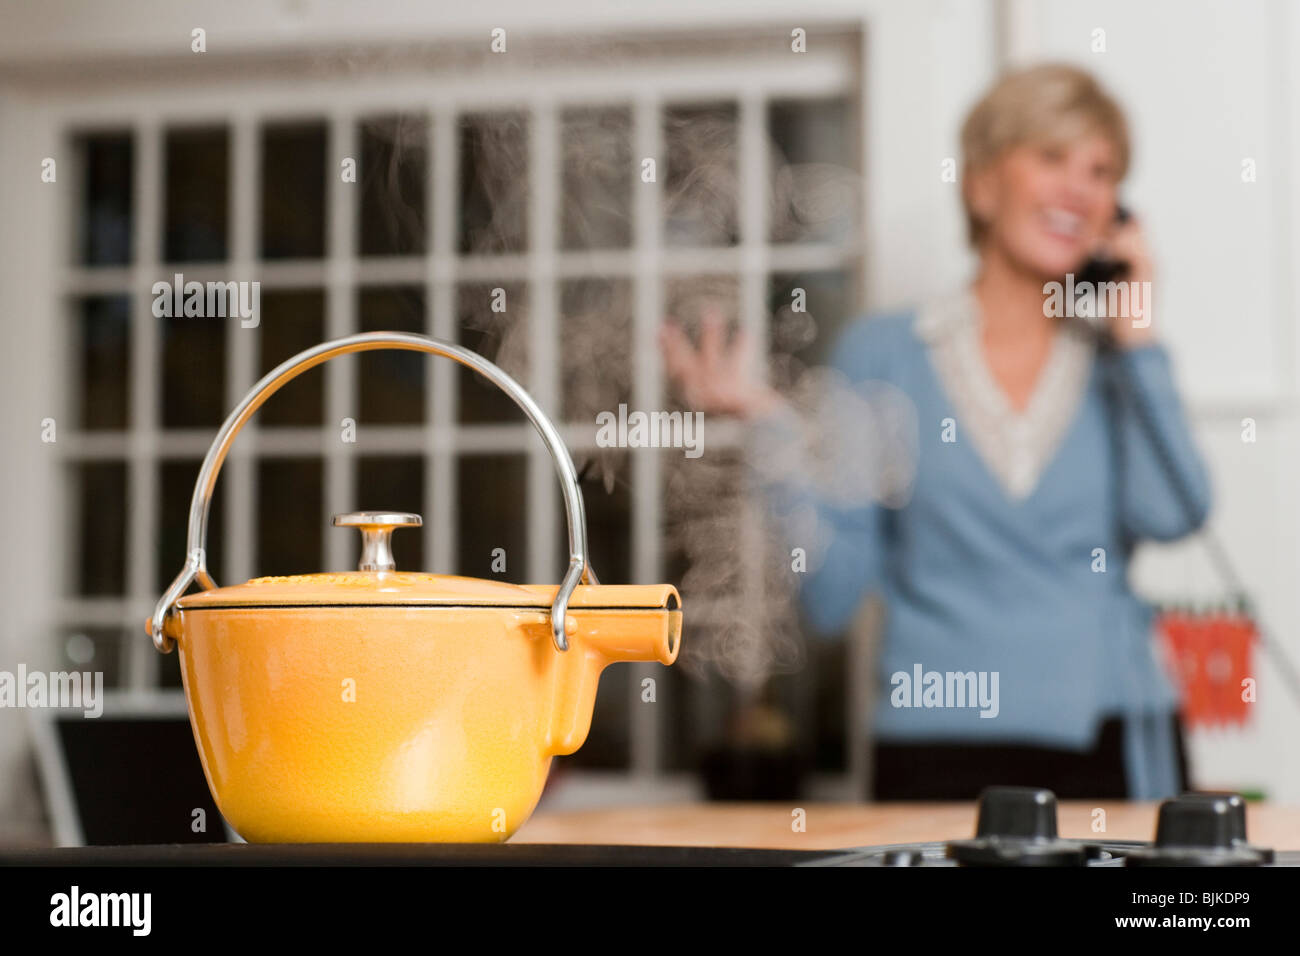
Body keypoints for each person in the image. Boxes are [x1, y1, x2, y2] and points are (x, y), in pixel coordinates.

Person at [659, 63, 1210, 801]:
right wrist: (772, 434)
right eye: (1052, 158)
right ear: (983, 185)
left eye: (1102, 171)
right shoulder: (883, 356)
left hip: (1112, 740)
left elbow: (1173, 513)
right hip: (936, 746)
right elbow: (831, 593)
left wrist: (1137, 338)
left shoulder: (1116, 365)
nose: (1081, 189)